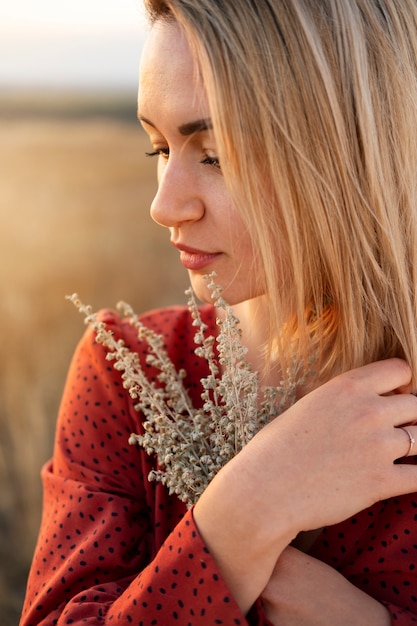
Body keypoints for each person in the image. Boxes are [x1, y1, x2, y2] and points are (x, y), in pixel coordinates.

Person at [20, 1, 417, 624]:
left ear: (351, 153)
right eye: (158, 148)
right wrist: (245, 514)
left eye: (216, 153)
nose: (165, 204)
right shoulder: (134, 376)